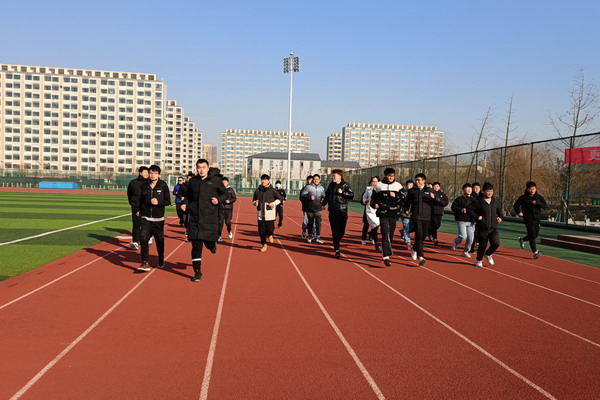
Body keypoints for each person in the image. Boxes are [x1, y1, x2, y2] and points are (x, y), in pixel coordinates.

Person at [181, 159, 228, 282]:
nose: (201, 170)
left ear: (208, 168)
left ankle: (212, 246)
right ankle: (197, 272)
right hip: (195, 218)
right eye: (199, 167)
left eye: (203, 167)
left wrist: (218, 200)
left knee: (208, 242)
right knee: (196, 246)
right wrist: (185, 203)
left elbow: (225, 194)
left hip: (209, 217)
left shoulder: (215, 180)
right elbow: (188, 196)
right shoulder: (193, 181)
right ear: (196, 168)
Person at [135, 165, 171, 271]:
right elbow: (140, 199)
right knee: (143, 238)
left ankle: (161, 258)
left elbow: (168, 201)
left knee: (159, 241)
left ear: (159, 174)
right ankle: (145, 262)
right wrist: (138, 210)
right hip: (146, 217)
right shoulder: (144, 185)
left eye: (155, 173)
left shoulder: (163, 185)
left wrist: (158, 202)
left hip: (158, 219)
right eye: (151, 173)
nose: (153, 175)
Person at [403, 173, 441, 266]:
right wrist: (406, 209)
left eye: (419, 180)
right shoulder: (412, 191)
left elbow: (439, 202)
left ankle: (414, 248)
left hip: (427, 216)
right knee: (419, 234)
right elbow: (407, 202)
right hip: (416, 216)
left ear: (424, 181)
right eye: (416, 180)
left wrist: (434, 198)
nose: (417, 182)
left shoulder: (429, 190)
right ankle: (421, 257)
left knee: (423, 235)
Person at [371, 168, 403, 267]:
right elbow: (373, 199)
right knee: (385, 232)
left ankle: (385, 248)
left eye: (392, 176)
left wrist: (396, 196)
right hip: (383, 212)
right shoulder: (378, 185)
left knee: (391, 234)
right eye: (389, 176)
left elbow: (403, 198)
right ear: (385, 176)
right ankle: (386, 256)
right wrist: (374, 204)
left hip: (393, 212)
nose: (390, 177)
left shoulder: (398, 186)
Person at [468, 182, 503, 267]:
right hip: (482, 227)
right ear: (483, 191)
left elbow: (499, 212)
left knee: (496, 243)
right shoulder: (478, 201)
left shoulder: (495, 201)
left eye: (491, 191)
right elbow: (469, 209)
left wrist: (500, 217)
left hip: (493, 227)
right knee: (482, 246)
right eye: (487, 191)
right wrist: (477, 217)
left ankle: (488, 254)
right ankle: (479, 260)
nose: (489, 193)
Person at [322, 169, 354, 258]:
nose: (333, 177)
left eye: (334, 176)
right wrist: (323, 204)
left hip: (342, 211)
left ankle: (336, 241)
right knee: (335, 231)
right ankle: (337, 250)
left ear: (340, 176)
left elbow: (351, 195)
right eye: (332, 176)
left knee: (342, 231)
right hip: (332, 211)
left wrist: (342, 192)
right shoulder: (331, 185)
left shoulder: (345, 185)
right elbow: (327, 195)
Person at [514, 181, 547, 259]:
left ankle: (522, 239)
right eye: (530, 189)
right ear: (527, 189)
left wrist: (537, 203)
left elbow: (545, 206)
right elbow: (516, 205)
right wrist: (518, 212)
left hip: (537, 219)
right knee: (532, 235)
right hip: (528, 219)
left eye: (533, 189)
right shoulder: (523, 198)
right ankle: (535, 252)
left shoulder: (539, 197)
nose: (531, 190)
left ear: (536, 189)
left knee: (535, 235)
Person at [252, 174, 283, 252]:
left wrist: (274, 203)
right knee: (261, 231)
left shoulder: (273, 190)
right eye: (262, 180)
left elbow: (280, 199)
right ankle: (264, 244)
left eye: (265, 180)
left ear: (268, 181)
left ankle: (270, 234)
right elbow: (253, 200)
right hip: (260, 215)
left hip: (270, 214)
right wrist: (255, 203)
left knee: (270, 229)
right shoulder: (258, 190)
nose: (263, 181)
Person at [450, 183, 476, 257]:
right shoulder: (459, 199)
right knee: (463, 237)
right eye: (467, 188)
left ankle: (465, 251)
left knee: (471, 238)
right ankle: (456, 241)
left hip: (471, 222)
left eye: (470, 188)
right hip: (462, 221)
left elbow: (478, 209)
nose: (469, 190)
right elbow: (453, 207)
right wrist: (461, 209)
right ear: (463, 190)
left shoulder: (474, 200)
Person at [127, 166, 149, 250]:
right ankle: (135, 242)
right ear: (140, 173)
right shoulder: (133, 183)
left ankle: (147, 238)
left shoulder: (149, 182)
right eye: (145, 172)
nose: (146, 174)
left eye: (147, 172)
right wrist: (133, 204)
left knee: (146, 224)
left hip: (147, 206)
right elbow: (129, 194)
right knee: (136, 224)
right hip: (136, 206)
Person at [300, 174, 326, 244]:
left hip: (318, 208)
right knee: (310, 223)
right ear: (313, 180)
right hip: (310, 208)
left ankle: (318, 237)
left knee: (318, 223)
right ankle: (310, 236)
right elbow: (302, 196)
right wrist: (309, 197)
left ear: (319, 180)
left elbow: (324, 195)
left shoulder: (321, 188)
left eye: (317, 179)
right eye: (314, 179)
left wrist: (323, 199)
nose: (316, 181)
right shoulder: (308, 187)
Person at [360, 176, 380, 251]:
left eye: (376, 181)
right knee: (366, 225)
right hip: (368, 211)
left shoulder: (380, 189)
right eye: (373, 181)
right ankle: (364, 238)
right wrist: (365, 201)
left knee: (376, 225)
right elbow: (363, 199)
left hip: (377, 211)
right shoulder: (368, 189)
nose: (374, 183)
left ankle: (373, 237)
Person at [428, 182, 449, 246]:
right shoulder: (431, 194)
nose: (436, 187)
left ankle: (430, 233)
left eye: (437, 186)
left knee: (438, 225)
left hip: (439, 212)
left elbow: (445, 202)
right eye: (435, 186)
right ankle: (435, 239)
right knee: (434, 225)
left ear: (439, 187)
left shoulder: (442, 194)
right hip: (432, 212)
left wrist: (439, 201)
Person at [218, 177, 237, 241]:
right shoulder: (219, 189)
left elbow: (234, 198)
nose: (224, 183)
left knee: (227, 222)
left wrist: (229, 201)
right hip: (221, 208)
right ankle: (219, 235)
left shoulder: (231, 189)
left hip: (228, 208)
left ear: (227, 182)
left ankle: (229, 230)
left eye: (225, 182)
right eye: (223, 182)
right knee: (220, 222)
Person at [469, 182, 482, 253]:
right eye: (475, 188)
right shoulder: (471, 196)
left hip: (481, 217)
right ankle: (471, 248)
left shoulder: (482, 196)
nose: (477, 189)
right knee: (474, 233)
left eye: (478, 188)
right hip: (473, 217)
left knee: (480, 233)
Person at [400, 180, 414, 246]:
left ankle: (402, 231)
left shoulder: (415, 193)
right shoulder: (403, 193)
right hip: (405, 213)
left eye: (412, 185)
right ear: (406, 186)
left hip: (413, 213)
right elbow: (401, 202)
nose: (410, 186)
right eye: (409, 185)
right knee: (406, 226)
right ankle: (408, 241)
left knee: (413, 227)